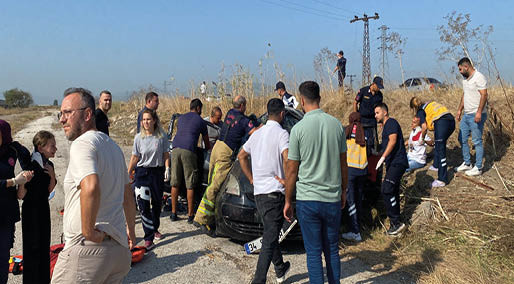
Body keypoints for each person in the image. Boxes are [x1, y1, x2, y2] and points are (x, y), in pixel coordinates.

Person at [52, 88, 136, 283]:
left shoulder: (82, 144)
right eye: (61, 113)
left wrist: (89, 231)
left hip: (88, 252)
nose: (62, 119)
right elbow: (127, 195)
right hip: (118, 252)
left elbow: (91, 186)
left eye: (67, 113)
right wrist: (131, 232)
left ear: (88, 114)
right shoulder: (114, 148)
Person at [284, 81, 348, 284]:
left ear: (301, 101)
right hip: (331, 199)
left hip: (308, 200)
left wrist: (287, 200)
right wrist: (344, 191)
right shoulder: (336, 125)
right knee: (331, 250)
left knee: (313, 253)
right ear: (319, 98)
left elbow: (292, 170)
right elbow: (343, 165)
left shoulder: (298, 129)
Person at [238, 98, 291, 284]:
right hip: (274, 193)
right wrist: (288, 180)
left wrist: (252, 178)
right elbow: (286, 157)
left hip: (259, 193)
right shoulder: (282, 134)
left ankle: (280, 268)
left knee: (270, 232)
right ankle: (258, 280)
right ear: (282, 114)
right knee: (269, 238)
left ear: (268, 113)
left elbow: (241, 155)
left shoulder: (257, 134)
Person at [194, 95, 256, 236]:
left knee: (211, 182)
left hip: (217, 148)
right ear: (242, 106)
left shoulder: (230, 113)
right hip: (226, 152)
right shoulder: (244, 120)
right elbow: (254, 133)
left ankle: (209, 219)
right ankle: (201, 219)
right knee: (215, 186)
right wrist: (260, 126)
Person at [18, 130, 57, 284]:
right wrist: (23, 181)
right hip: (30, 212)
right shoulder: (30, 165)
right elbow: (21, 195)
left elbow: (50, 190)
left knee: (43, 247)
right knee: (31, 248)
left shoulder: (49, 165)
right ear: (40, 148)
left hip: (43, 209)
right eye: (52, 146)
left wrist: (52, 175)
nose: (55, 149)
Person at [128, 109, 170, 250]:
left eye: (148, 119)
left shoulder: (161, 136)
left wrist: (167, 169)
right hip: (142, 173)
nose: (146, 122)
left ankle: (154, 228)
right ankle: (148, 237)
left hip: (157, 172)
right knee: (143, 205)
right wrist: (128, 172)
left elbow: (165, 154)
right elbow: (135, 157)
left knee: (157, 204)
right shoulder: (138, 138)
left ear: (154, 121)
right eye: (144, 120)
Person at [0, 120, 33, 284]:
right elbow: (12, 180)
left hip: (7, 214)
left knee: (3, 257)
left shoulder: (11, 151)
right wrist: (13, 181)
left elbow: (27, 162)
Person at [170, 99, 210, 223]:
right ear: (198, 108)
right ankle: (190, 215)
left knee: (175, 182)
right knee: (190, 183)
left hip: (175, 148)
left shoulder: (181, 118)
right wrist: (209, 150)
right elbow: (206, 142)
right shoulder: (201, 121)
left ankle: (173, 213)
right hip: (189, 150)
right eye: (201, 109)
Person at [374, 103, 408, 236]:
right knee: (392, 191)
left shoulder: (391, 122)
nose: (375, 116)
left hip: (397, 162)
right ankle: (396, 224)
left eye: (377, 113)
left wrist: (382, 158)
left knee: (386, 188)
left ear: (384, 112)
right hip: (391, 164)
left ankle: (395, 222)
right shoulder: (385, 127)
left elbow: (393, 141)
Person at [409, 96, 455, 187]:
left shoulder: (421, 111)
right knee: (438, 144)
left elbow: (424, 127)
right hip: (451, 121)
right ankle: (436, 165)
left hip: (442, 122)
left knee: (441, 150)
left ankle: (442, 179)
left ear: (414, 107)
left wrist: (422, 138)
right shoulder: (430, 104)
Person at [456, 57, 489, 176]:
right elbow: (465, 94)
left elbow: (484, 95)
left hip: (476, 114)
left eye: (460, 69)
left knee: (477, 141)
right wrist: (460, 110)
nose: (459, 71)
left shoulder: (479, 77)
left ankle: (478, 167)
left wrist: (479, 112)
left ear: (466, 67)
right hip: (466, 114)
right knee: (462, 138)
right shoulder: (465, 80)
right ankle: (467, 163)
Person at [341, 112, 368, 243]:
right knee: (358, 199)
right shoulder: (365, 131)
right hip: (362, 169)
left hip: (350, 169)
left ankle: (355, 231)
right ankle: (359, 227)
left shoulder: (346, 130)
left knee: (350, 201)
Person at [353, 76, 384, 153]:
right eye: (378, 87)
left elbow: (380, 108)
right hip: (362, 120)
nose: (379, 89)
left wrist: (381, 121)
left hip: (372, 120)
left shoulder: (379, 95)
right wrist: (355, 115)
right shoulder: (363, 91)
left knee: (373, 141)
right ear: (373, 84)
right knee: (362, 139)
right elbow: (355, 102)